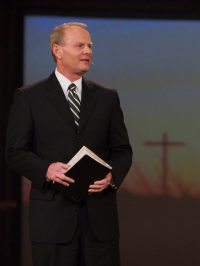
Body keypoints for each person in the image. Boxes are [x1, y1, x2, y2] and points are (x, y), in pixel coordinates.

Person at [5, 22, 132, 266]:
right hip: (52, 223)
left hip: (100, 224)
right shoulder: (29, 97)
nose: (88, 51)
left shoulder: (107, 97)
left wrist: (111, 175)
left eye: (90, 46)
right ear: (57, 50)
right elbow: (14, 152)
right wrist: (46, 169)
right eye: (80, 45)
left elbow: (122, 150)